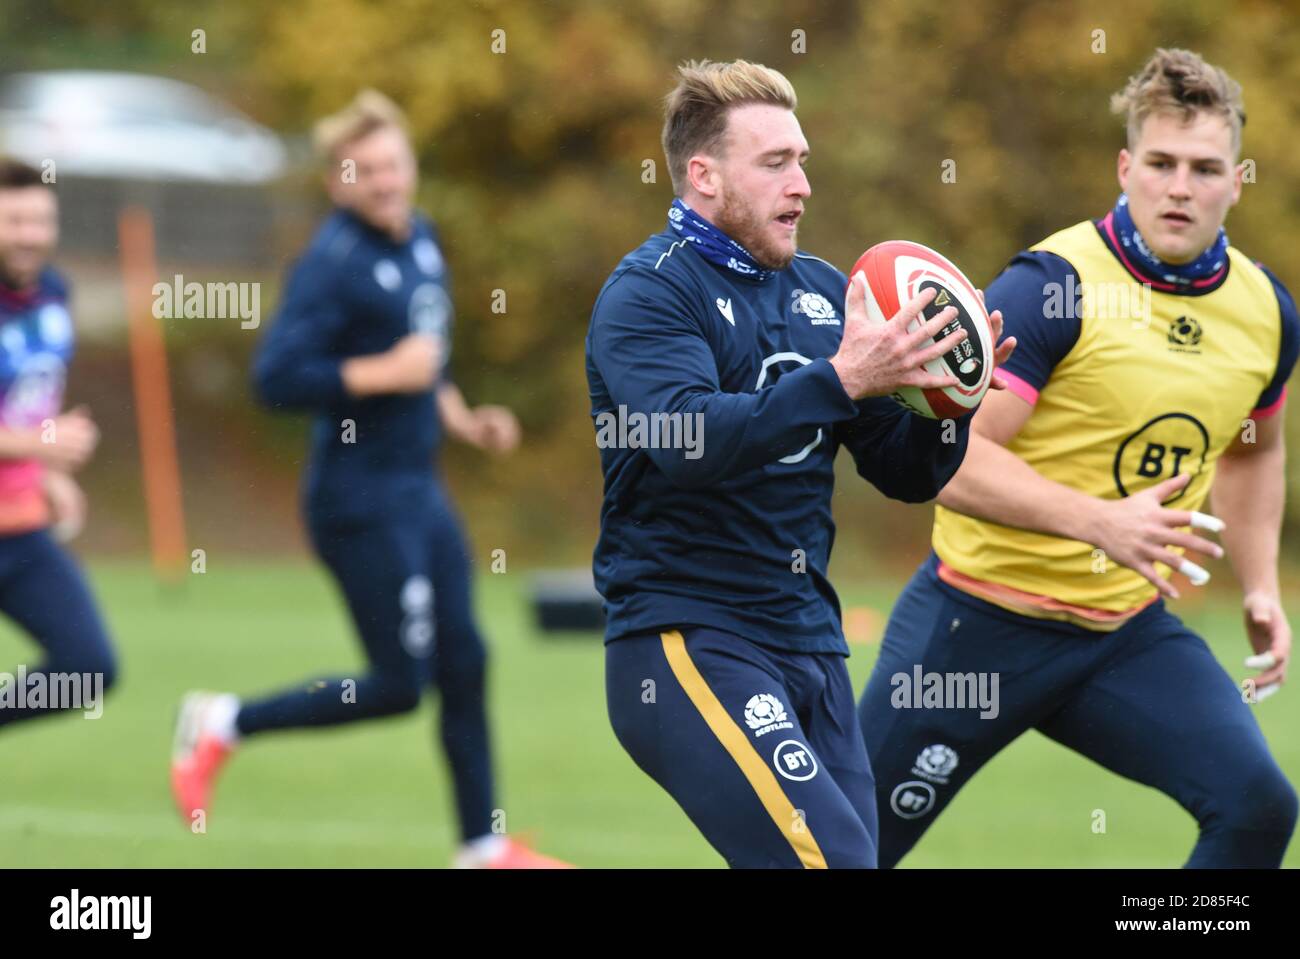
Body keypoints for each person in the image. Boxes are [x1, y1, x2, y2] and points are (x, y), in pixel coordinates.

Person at [858, 48, 1298, 868]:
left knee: (1258, 807)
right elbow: (950, 464)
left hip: (1122, 636)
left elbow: (1252, 455)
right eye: (1161, 163)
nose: (1179, 186)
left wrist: (1263, 585)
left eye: (1204, 168)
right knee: (841, 850)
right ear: (1125, 167)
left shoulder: (1267, 311)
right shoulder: (1051, 286)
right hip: (975, 625)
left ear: (1238, 180)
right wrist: (1101, 522)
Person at [587, 59, 1014, 868]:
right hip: (687, 638)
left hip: (811, 643)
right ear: (704, 177)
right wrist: (845, 377)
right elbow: (689, 441)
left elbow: (902, 471)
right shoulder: (648, 294)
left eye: (804, 159)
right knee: (833, 861)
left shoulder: (825, 293)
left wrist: (952, 402)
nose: (803, 184)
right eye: (776, 162)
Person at [170, 91, 567, 869]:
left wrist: (460, 416)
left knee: (467, 661)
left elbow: (425, 358)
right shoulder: (332, 263)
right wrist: (384, 372)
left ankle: (482, 848)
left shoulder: (419, 238)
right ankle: (224, 720)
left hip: (419, 490)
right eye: (367, 171)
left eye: (395, 164)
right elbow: (277, 377)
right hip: (357, 502)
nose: (386, 182)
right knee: (396, 683)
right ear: (337, 181)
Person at [0, 157, 116, 729]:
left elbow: (26, 402)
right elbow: (30, 431)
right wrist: (38, 445)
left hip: (19, 529)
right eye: (15, 221)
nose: (30, 236)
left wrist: (50, 473)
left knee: (88, 667)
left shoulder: (53, 294)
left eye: (41, 221)